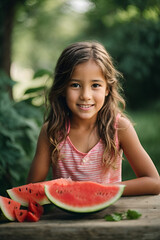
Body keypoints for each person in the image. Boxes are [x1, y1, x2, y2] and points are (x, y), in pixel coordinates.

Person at [27, 41, 160, 195]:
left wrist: (101, 190)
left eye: (95, 85)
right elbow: (31, 189)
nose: (85, 96)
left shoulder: (119, 128)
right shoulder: (51, 131)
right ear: (62, 89)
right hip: (64, 218)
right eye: (75, 85)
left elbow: (154, 182)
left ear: (107, 89)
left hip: (108, 217)